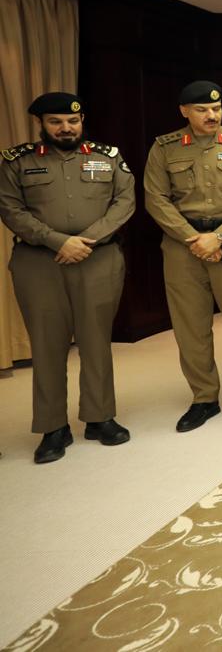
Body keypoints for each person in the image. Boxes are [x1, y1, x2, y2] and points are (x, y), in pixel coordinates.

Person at [0, 93, 135, 463]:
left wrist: (86, 240)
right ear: (41, 124)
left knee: (96, 340)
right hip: (39, 262)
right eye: (56, 122)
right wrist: (58, 241)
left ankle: (100, 417)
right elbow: (10, 208)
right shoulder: (18, 161)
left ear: (82, 121)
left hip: (98, 258)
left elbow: (124, 202)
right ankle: (53, 427)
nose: (65, 128)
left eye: (72, 121)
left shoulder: (108, 157)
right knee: (47, 344)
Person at [143, 80, 222, 431]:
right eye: (202, 110)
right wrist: (193, 238)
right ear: (184, 111)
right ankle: (203, 397)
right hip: (183, 245)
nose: (212, 115)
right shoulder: (164, 148)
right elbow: (156, 199)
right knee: (191, 326)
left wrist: (220, 235)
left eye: (216, 108)